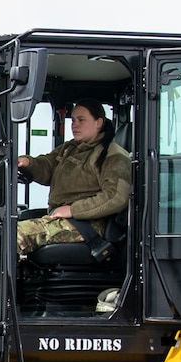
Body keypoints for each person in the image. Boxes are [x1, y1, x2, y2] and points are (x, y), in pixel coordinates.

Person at [14, 98, 133, 254]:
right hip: (65, 218)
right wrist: (28, 163)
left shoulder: (112, 156)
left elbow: (116, 197)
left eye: (81, 120)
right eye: (73, 120)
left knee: (15, 236)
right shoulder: (71, 148)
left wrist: (73, 209)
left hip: (88, 225)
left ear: (98, 122)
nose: (74, 124)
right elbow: (48, 166)